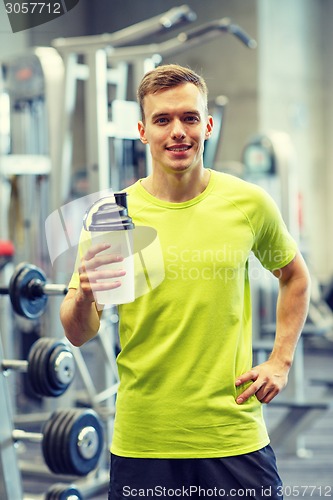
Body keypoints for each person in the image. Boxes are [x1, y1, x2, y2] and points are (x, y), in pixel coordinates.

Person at [60, 64, 311, 499]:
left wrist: (280, 361)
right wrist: (84, 292)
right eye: (162, 120)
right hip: (145, 439)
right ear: (142, 131)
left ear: (207, 125)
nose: (178, 131)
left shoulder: (248, 203)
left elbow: (295, 277)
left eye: (189, 118)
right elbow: (77, 333)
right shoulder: (112, 216)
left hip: (233, 435)